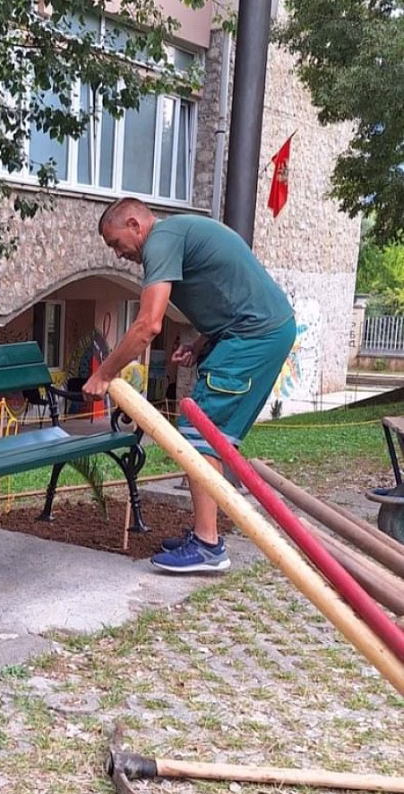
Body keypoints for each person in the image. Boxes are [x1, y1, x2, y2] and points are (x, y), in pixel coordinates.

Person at [84, 197, 295, 574]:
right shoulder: (180, 233)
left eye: (116, 244)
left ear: (135, 224)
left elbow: (148, 325)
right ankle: (205, 536)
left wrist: (104, 373)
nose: (118, 255)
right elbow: (229, 291)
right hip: (257, 332)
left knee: (199, 433)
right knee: (208, 436)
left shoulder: (161, 241)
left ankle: (207, 545)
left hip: (254, 337)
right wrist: (199, 343)